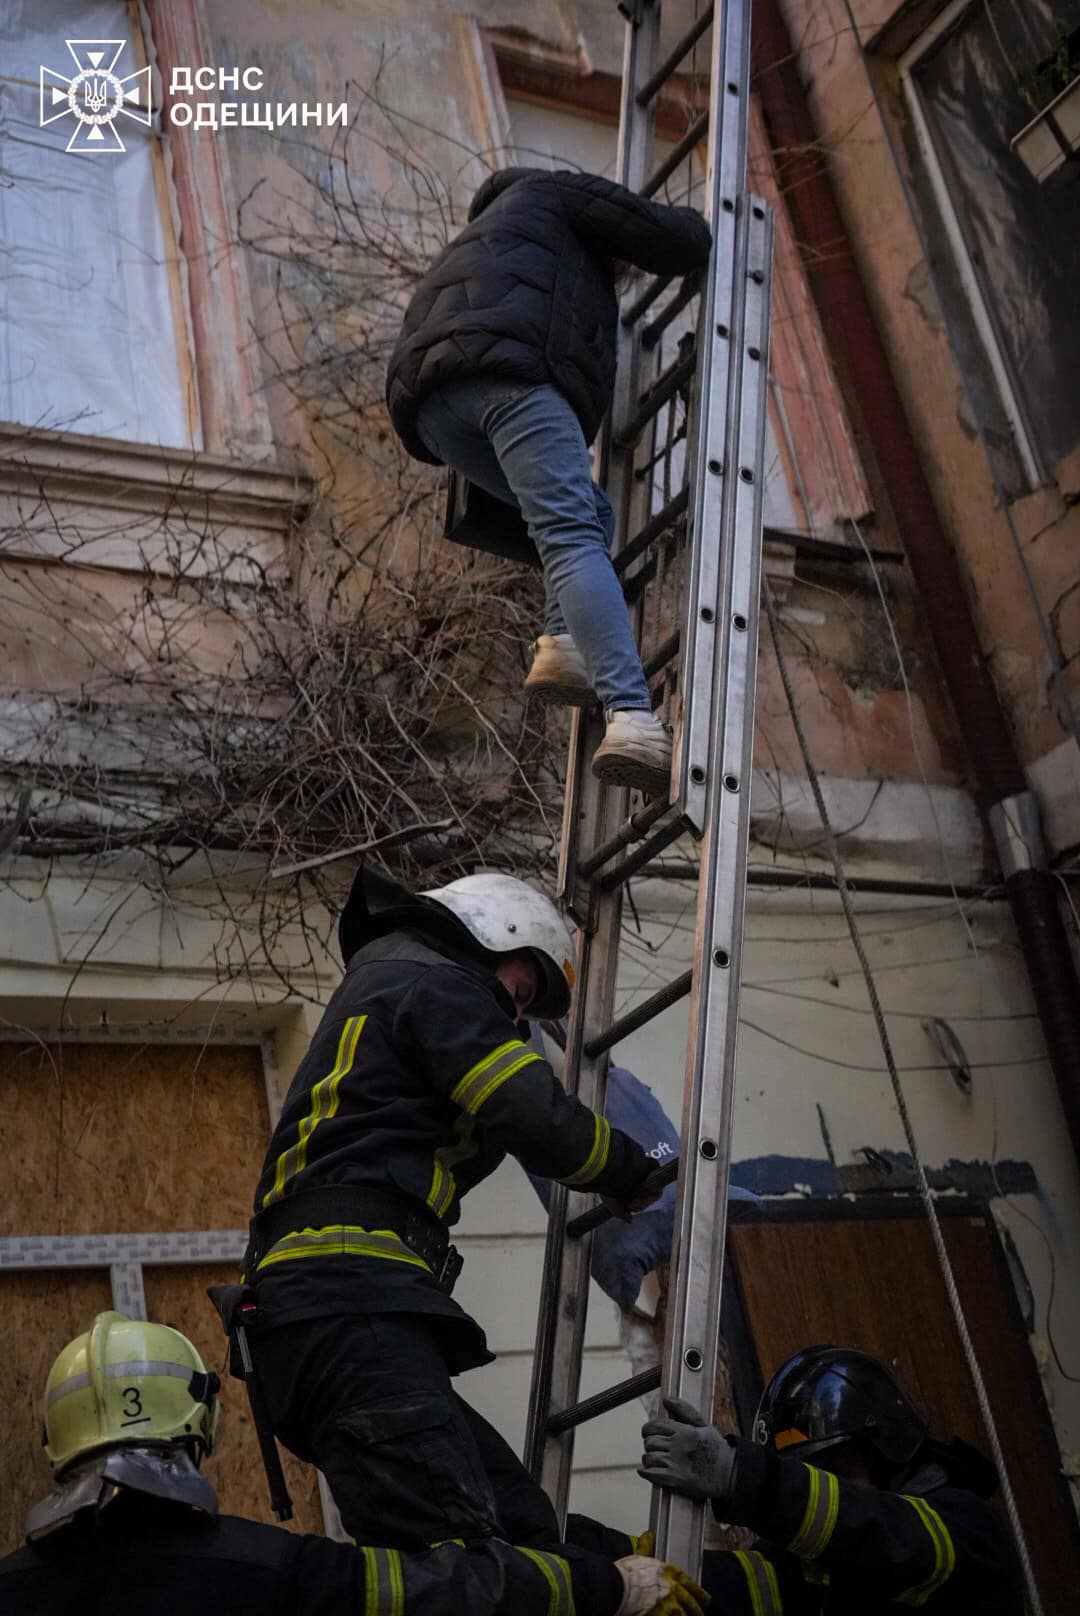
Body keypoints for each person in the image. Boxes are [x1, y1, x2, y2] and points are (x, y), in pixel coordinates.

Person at [240, 866, 658, 1550]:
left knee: (521, 1528)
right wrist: (628, 1169)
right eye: (520, 994)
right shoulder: (440, 980)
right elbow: (528, 1111)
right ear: (494, 933)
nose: (515, 1019)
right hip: (354, 1308)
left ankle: (607, 1568)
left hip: (328, 1316)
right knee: (464, 1563)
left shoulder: (394, 980)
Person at [0, 1309, 706, 1616]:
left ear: (57, 1442)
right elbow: (450, 1592)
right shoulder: (264, 1571)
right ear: (199, 1425)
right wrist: (612, 1585)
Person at [385, 166, 713, 798]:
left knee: (583, 513)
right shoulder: (550, 193)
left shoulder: (487, 237)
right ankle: (633, 720)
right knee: (570, 535)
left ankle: (565, 645)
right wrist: (711, 231)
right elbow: (664, 234)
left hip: (435, 409)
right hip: (510, 374)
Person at [628, 1344, 1025, 1613]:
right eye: (807, 1474)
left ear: (885, 1447)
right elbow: (731, 1588)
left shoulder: (970, 1533)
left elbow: (879, 1534)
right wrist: (612, 1573)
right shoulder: (819, 1567)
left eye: (832, 1469)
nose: (823, 1488)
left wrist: (740, 1475)